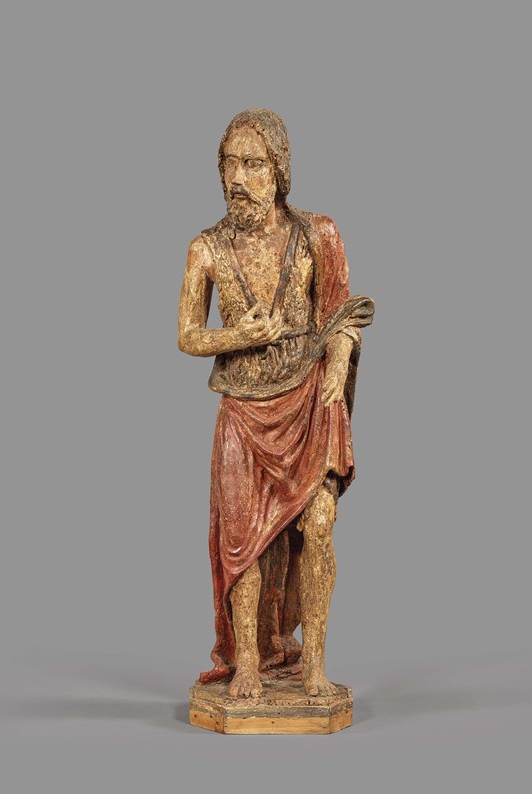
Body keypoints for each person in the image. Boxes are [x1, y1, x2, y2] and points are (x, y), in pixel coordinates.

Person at [178, 109, 373, 698]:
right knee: (244, 543)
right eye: (229, 164)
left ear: (279, 171)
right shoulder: (206, 249)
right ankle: (249, 666)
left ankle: (313, 664)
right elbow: (187, 335)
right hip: (243, 410)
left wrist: (339, 358)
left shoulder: (318, 234)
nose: (238, 177)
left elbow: (342, 315)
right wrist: (238, 336)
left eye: (253, 164)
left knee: (320, 523)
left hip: (309, 401)